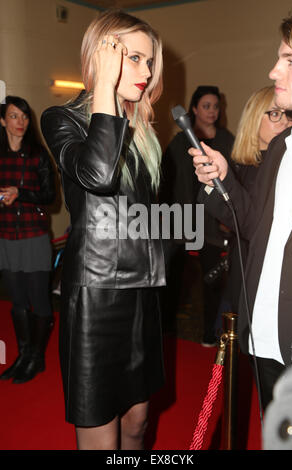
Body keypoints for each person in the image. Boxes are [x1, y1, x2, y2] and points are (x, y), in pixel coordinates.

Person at [41, 10, 165, 450]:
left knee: (137, 420)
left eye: (150, 62)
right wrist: (104, 96)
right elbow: (97, 175)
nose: (146, 72)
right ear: (103, 57)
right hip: (95, 295)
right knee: (101, 429)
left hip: (141, 293)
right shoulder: (61, 119)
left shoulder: (143, 130)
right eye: (134, 58)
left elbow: (146, 212)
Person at [189, 9, 292, 411]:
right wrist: (220, 177)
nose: (274, 72)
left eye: (290, 60)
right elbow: (252, 224)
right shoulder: (284, 148)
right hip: (264, 333)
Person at [161, 85, 234, 346]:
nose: (212, 111)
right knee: (171, 276)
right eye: (206, 106)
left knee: (211, 281)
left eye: (216, 106)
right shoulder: (180, 141)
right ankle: (165, 326)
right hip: (181, 218)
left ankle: (209, 334)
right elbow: (166, 181)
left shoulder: (227, 140)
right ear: (193, 109)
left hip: (212, 222)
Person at [217, 86, 292, 317]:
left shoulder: (287, 168)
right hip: (247, 272)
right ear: (254, 119)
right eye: (274, 114)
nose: (286, 123)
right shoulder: (238, 169)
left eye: (289, 115)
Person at [0, 96, 55, 384]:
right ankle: (23, 355)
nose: (20, 122)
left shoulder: (38, 155)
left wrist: (21, 193)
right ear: (2, 121)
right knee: (17, 300)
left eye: (24, 116)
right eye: (13, 116)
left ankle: (37, 357)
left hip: (34, 235)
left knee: (38, 300)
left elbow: (51, 197)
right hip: (6, 236)